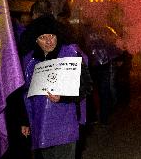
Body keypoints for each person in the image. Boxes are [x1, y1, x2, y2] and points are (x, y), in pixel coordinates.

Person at [20, 15, 92, 159]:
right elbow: (25, 94)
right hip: (41, 125)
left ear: (58, 35)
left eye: (52, 36)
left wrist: (63, 97)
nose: (48, 41)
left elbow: (86, 87)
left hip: (66, 124)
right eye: (42, 37)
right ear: (35, 40)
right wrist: (25, 121)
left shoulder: (71, 54)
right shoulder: (30, 62)